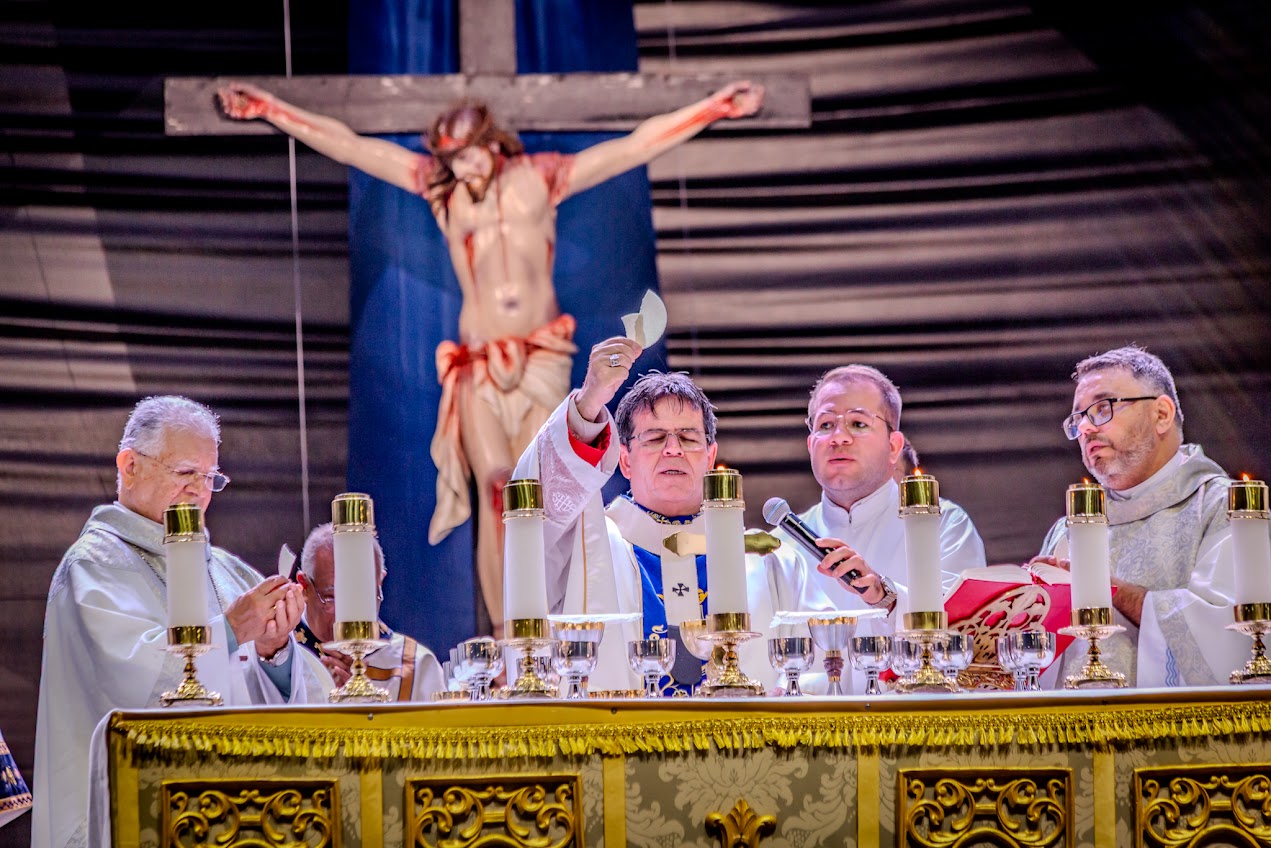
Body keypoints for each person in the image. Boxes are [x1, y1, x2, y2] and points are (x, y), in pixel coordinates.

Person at [217, 81, 764, 633]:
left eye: (468, 155)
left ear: (493, 143)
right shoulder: (442, 193)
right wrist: (271, 108)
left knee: (544, 495)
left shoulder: (542, 178)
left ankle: (544, 624)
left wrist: (715, 106)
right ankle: (509, 636)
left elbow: (634, 146)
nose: (462, 169)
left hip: (541, 354)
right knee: (496, 490)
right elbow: (354, 147)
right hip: (477, 360)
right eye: (450, 159)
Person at [32, 396, 329, 848]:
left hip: (241, 818)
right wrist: (229, 632)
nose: (200, 490)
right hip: (137, 819)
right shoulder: (91, 567)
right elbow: (129, 679)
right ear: (129, 466)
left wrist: (274, 655)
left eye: (210, 477)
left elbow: (297, 704)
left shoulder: (231, 573)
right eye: (186, 473)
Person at [512, 337, 829, 694]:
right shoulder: (587, 549)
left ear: (710, 457)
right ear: (625, 460)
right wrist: (587, 404)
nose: (673, 449)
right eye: (655, 438)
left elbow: (832, 669)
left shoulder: (771, 562)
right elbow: (534, 506)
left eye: (688, 438)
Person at [1032, 346, 1250, 687]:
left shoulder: (1224, 507)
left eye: (1102, 408)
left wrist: (1110, 591)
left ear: (1162, 414)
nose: (1086, 428)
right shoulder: (1068, 529)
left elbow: (1233, 637)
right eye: (1078, 420)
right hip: (1068, 733)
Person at [787, 366, 986, 691]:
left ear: (894, 446)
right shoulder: (784, 542)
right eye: (826, 425)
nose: (839, 437)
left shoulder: (945, 526)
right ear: (811, 444)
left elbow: (968, 636)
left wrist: (888, 598)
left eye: (858, 423)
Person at [293, 522, 445, 701]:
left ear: (379, 582)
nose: (347, 614)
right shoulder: (278, 660)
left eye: (362, 593)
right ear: (304, 586)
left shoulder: (417, 666)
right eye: (333, 597)